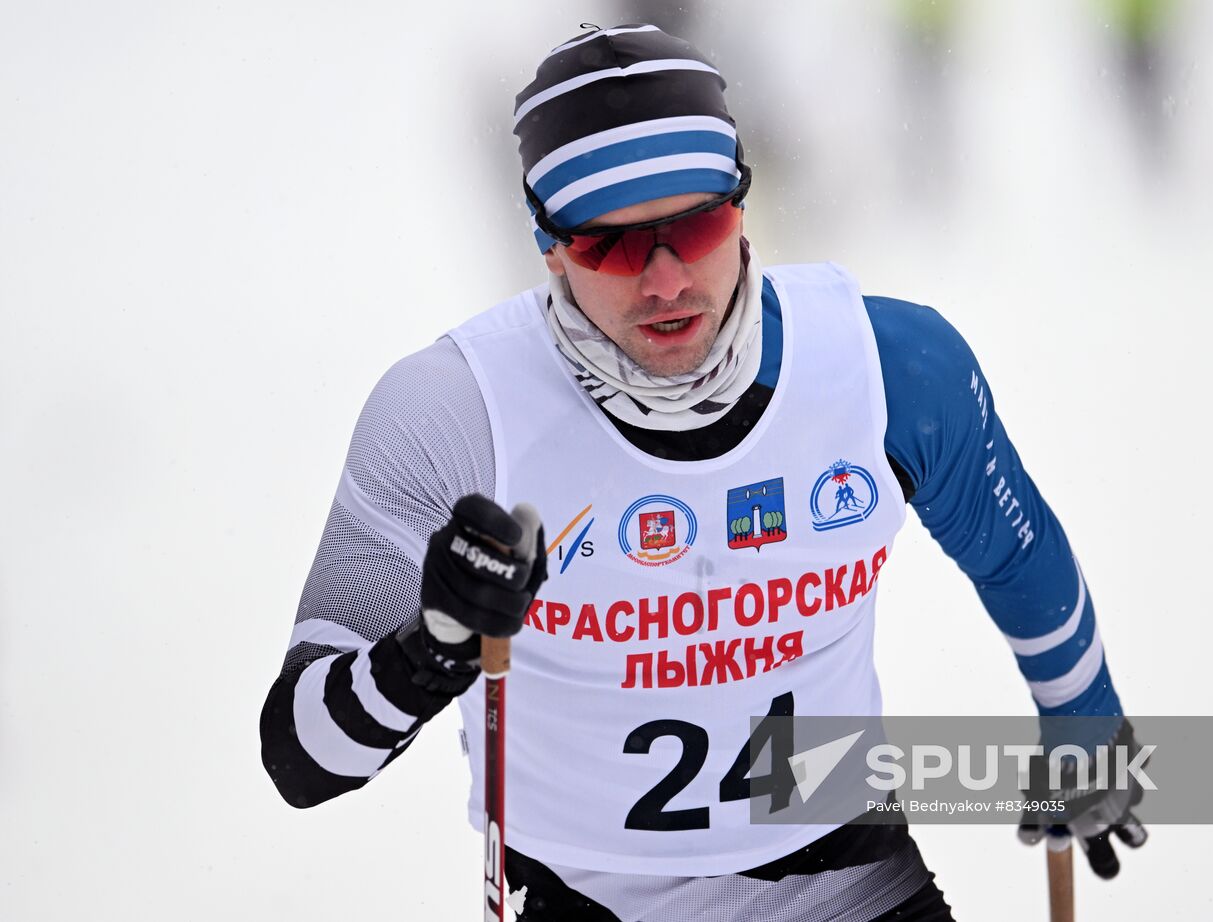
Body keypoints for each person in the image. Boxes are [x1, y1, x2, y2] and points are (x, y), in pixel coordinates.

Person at [259, 23, 1145, 921]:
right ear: (548, 242)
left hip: (853, 890)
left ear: (744, 203)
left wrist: (1085, 720)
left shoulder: (886, 367)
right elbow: (300, 755)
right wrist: (434, 648)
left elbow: (1014, 551)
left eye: (698, 224)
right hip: (592, 904)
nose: (667, 279)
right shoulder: (455, 411)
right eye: (612, 245)